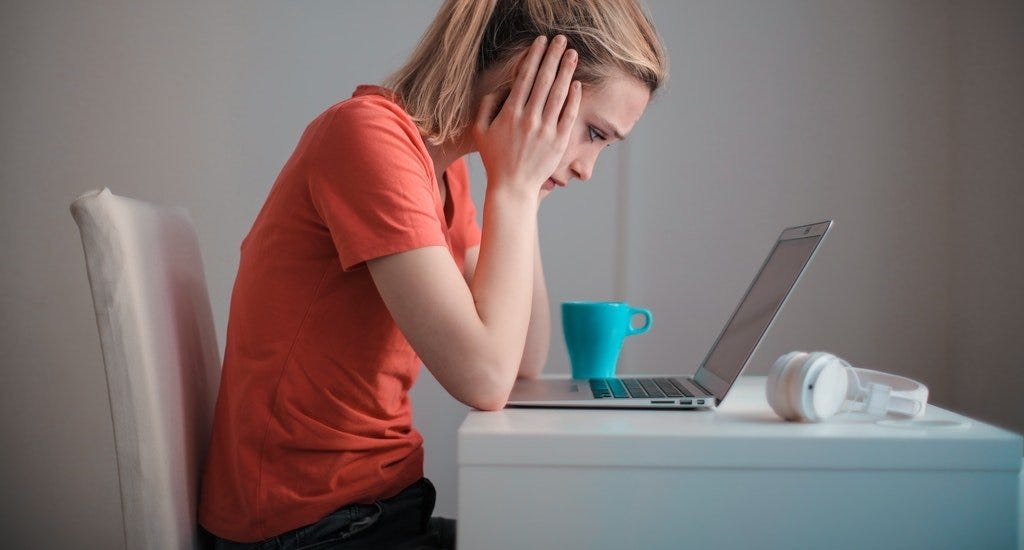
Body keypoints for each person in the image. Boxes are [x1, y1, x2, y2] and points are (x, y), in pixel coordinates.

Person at [198, 0, 667, 548]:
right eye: (593, 133)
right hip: (308, 528)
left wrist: (523, 193)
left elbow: (522, 360)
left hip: (377, 509)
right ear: (530, 79)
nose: (588, 168)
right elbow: (485, 380)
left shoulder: (444, 175)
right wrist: (514, 190)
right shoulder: (367, 139)